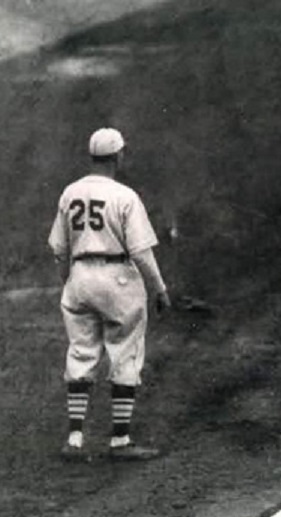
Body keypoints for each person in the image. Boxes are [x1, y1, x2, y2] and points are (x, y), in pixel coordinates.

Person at [48, 128, 172, 462]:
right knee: (126, 353)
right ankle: (120, 441)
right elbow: (142, 253)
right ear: (118, 156)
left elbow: (59, 248)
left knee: (81, 352)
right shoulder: (125, 196)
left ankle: (74, 439)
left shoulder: (69, 192)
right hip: (118, 279)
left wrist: (69, 280)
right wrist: (158, 288)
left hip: (80, 275)